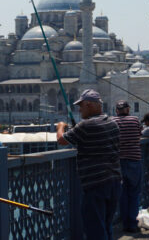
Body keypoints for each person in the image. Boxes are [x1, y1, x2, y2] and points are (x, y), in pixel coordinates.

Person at [56, 89, 121, 240]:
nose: (79, 110)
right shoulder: (112, 122)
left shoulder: (86, 126)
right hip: (114, 181)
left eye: (81, 106)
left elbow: (62, 140)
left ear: (90, 105)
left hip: (95, 184)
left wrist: (61, 126)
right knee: (106, 224)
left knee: (94, 228)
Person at [112, 100, 142, 234]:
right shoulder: (135, 120)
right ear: (128, 109)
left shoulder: (113, 121)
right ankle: (133, 223)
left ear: (117, 110)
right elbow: (140, 134)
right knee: (134, 194)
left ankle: (125, 224)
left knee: (122, 195)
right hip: (134, 160)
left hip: (118, 162)